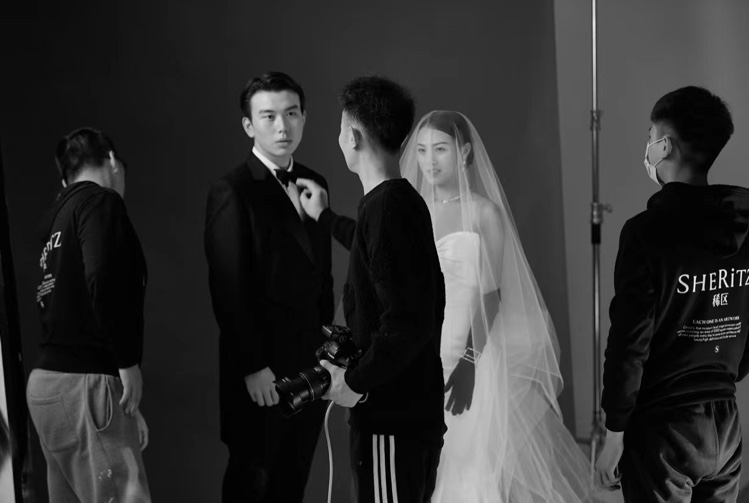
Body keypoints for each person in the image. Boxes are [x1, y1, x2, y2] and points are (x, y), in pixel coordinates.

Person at [399, 110, 595, 502]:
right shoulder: (410, 211)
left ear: (464, 152)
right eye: (421, 150)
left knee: (468, 469)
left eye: (440, 149)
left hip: (471, 352)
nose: (429, 160)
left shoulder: (484, 212)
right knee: (422, 470)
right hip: (419, 355)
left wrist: (469, 361)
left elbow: (492, 294)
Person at [296, 75, 446, 503]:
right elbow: (377, 258)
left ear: (354, 136)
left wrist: (354, 381)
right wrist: (325, 217)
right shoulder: (398, 202)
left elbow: (407, 320)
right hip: (411, 414)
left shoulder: (386, 209)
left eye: (341, 129)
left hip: (392, 420)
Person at [596, 86, 746, 502]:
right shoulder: (745, 229)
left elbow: (629, 341)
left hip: (663, 427)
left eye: (650, 137)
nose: (647, 147)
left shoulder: (645, 234)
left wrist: (614, 432)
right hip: (726, 425)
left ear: (664, 146)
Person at [204, 71, 334, 503]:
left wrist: (325, 354)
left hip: (309, 367)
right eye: (269, 116)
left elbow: (322, 276)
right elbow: (228, 286)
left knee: (291, 486)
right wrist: (253, 366)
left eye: (292, 114)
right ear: (249, 125)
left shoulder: (315, 182)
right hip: (261, 373)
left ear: (304, 118)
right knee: (252, 484)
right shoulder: (232, 190)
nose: (283, 126)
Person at [27, 127, 150, 502]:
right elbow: (102, 277)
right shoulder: (100, 201)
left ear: (65, 180)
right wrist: (126, 363)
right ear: (112, 161)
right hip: (86, 384)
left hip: (48, 388)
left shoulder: (56, 222)